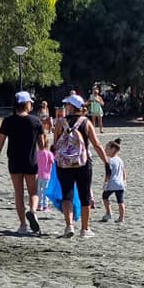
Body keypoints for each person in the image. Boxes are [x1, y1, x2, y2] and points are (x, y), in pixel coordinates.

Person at [53, 94, 110, 238]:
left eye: (67, 105)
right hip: (83, 163)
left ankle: (69, 225)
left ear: (72, 107)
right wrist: (106, 162)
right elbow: (96, 144)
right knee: (84, 195)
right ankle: (85, 229)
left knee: (67, 194)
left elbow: (55, 144)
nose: (66, 107)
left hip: (64, 164)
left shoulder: (60, 122)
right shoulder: (86, 122)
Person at [0, 91, 46, 235]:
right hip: (31, 161)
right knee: (33, 192)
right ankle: (33, 211)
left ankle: (22, 225)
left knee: (18, 193)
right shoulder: (35, 121)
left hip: (14, 161)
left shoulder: (8, 121)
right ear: (26, 104)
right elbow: (42, 145)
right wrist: (45, 161)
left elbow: (0, 143)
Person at [100, 138, 127, 222]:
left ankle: (109, 213)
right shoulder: (120, 160)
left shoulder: (110, 161)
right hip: (120, 184)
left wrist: (105, 183)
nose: (105, 150)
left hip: (112, 183)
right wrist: (124, 181)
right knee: (120, 201)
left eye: (107, 148)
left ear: (113, 149)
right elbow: (124, 171)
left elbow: (108, 173)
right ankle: (121, 218)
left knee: (105, 197)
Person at [36, 143, 55, 213]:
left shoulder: (37, 153)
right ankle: (45, 206)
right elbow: (53, 162)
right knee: (45, 191)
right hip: (47, 175)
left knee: (38, 190)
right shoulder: (49, 154)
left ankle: (39, 205)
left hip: (38, 175)